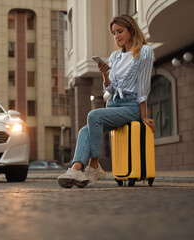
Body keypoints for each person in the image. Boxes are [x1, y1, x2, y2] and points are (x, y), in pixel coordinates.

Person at [58, 15, 155, 188]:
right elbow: (109, 90)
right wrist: (104, 75)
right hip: (114, 105)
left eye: (120, 31)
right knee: (84, 131)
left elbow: (143, 87)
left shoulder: (145, 52)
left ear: (131, 30)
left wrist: (143, 115)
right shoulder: (115, 56)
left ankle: (94, 165)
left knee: (94, 115)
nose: (117, 36)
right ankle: (75, 169)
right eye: (114, 33)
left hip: (131, 106)